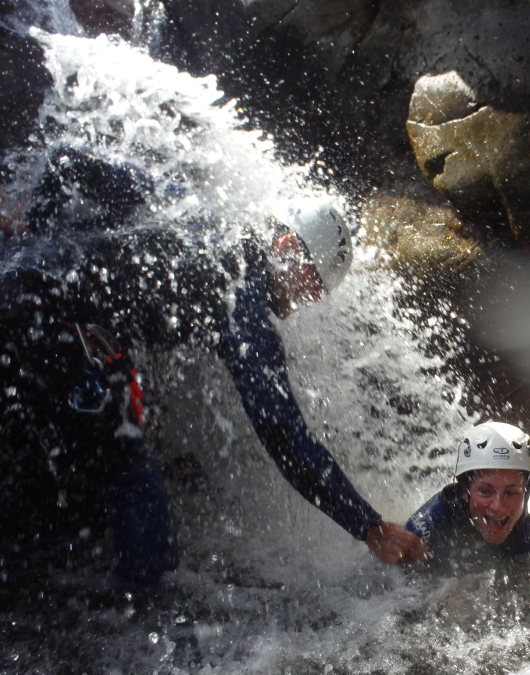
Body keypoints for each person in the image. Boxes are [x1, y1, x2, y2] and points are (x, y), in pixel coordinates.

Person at [0, 146, 425, 584]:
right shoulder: (241, 295)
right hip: (50, 325)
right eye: (309, 286)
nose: (300, 306)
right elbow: (283, 433)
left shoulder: (196, 204)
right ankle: (148, 617)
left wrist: (31, 231)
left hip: (17, 276)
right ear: (285, 246)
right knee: (134, 481)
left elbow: (68, 161)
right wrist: (368, 526)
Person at [405, 421, 530, 565]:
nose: (497, 507)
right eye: (485, 492)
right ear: (465, 492)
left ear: (526, 493)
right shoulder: (428, 527)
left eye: (511, 493)